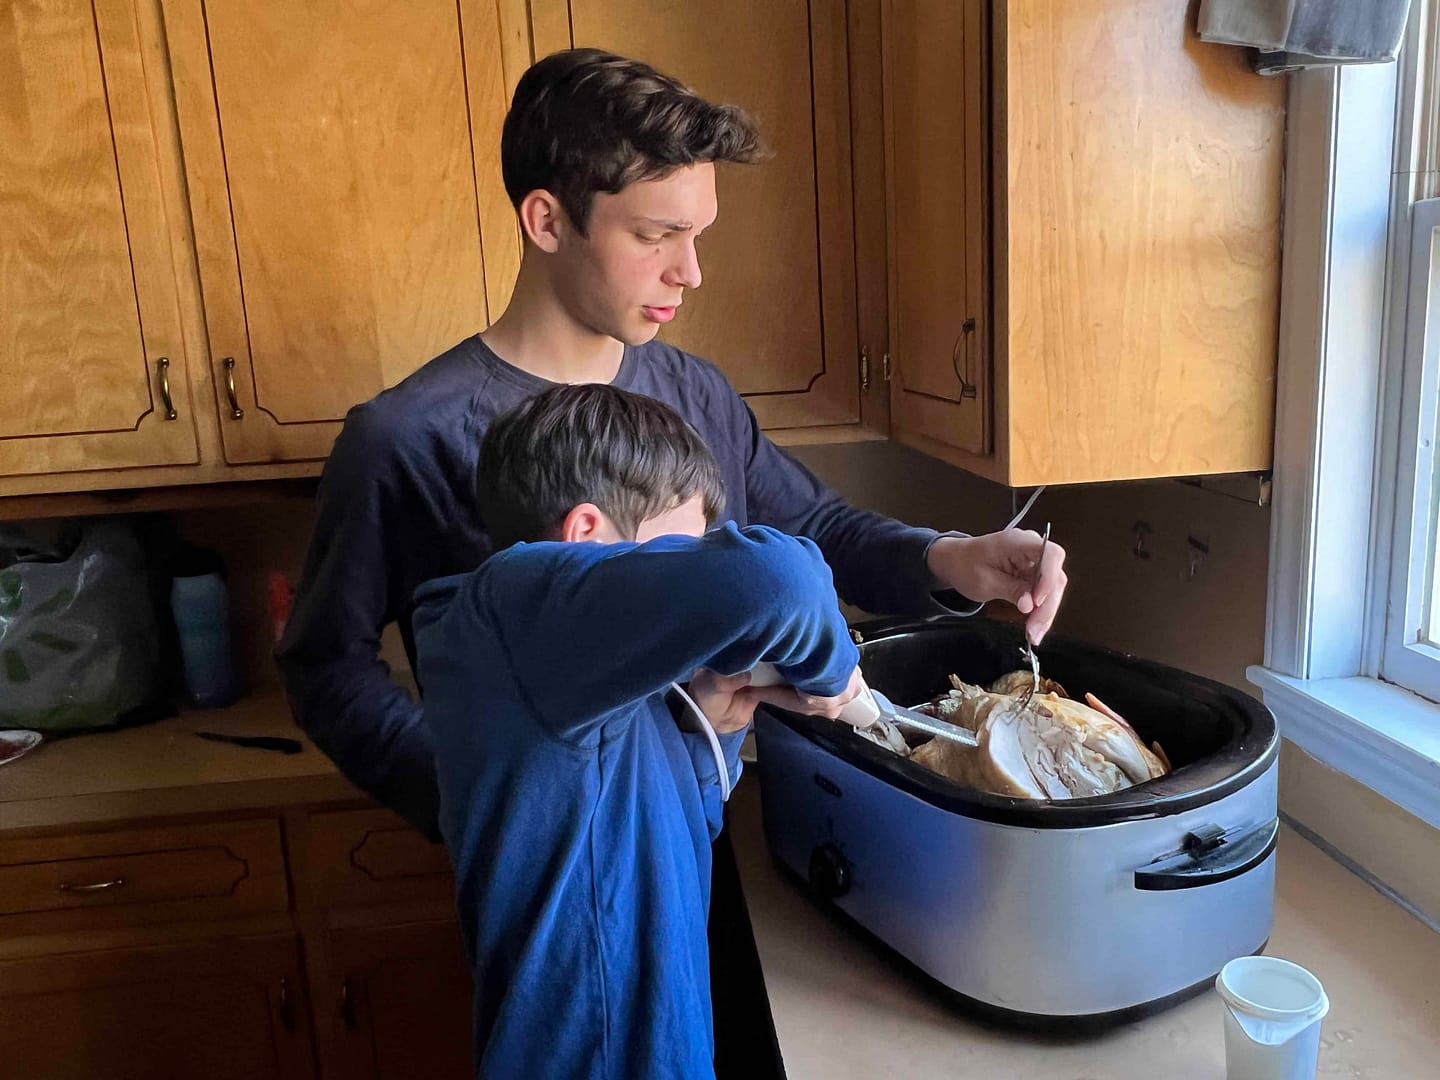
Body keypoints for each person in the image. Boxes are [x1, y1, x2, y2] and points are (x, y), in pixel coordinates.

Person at [276, 44, 1067, 1076]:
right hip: (563, 897)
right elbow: (325, 668)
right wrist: (464, 791)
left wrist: (954, 556)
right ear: (548, 220)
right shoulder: (406, 438)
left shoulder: (690, 394)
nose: (689, 273)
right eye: (657, 236)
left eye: (697, 236)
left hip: (708, 833)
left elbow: (813, 532)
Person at [413, 383, 862, 1078]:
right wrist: (839, 677)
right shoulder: (516, 612)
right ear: (584, 537)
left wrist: (706, 735)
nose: (682, 585)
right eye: (676, 556)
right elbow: (780, 580)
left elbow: (646, 839)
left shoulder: (575, 663)